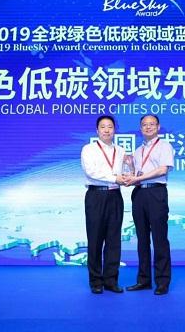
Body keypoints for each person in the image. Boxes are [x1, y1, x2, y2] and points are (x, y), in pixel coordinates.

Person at [123, 114, 174, 295]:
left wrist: (139, 178)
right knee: (142, 239)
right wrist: (129, 174)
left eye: (152, 124)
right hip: (139, 194)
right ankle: (143, 280)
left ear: (158, 127)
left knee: (160, 239)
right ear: (140, 128)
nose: (148, 127)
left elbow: (162, 169)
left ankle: (162, 282)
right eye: (144, 124)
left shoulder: (164, 146)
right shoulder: (138, 151)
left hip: (156, 192)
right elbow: (136, 175)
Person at [81, 115, 126, 294]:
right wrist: (116, 178)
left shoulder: (121, 151)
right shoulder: (88, 149)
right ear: (97, 130)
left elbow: (124, 172)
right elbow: (91, 172)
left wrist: (129, 177)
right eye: (103, 127)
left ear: (115, 130)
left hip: (115, 196)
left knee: (114, 240)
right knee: (95, 239)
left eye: (110, 127)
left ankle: (111, 280)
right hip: (96, 196)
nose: (107, 130)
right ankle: (95, 281)